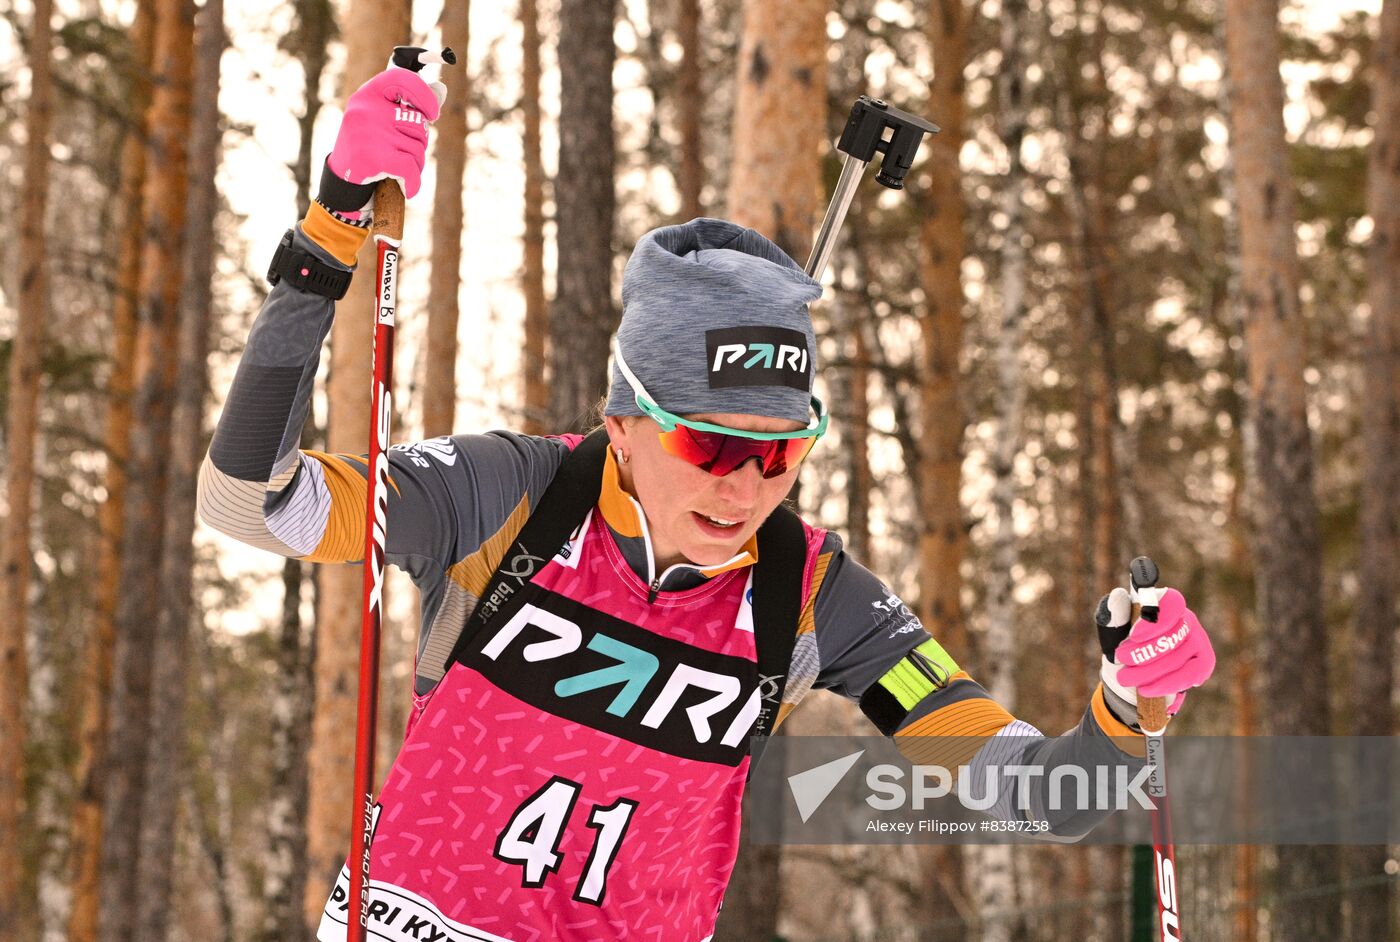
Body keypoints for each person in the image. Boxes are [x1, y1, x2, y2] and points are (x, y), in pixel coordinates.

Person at [198, 63, 1216, 942]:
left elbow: (1042, 798)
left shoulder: (808, 595)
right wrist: (328, 238)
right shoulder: (508, 496)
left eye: (782, 454)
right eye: (710, 444)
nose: (745, 487)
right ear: (625, 420)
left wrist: (1131, 702)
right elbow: (249, 504)